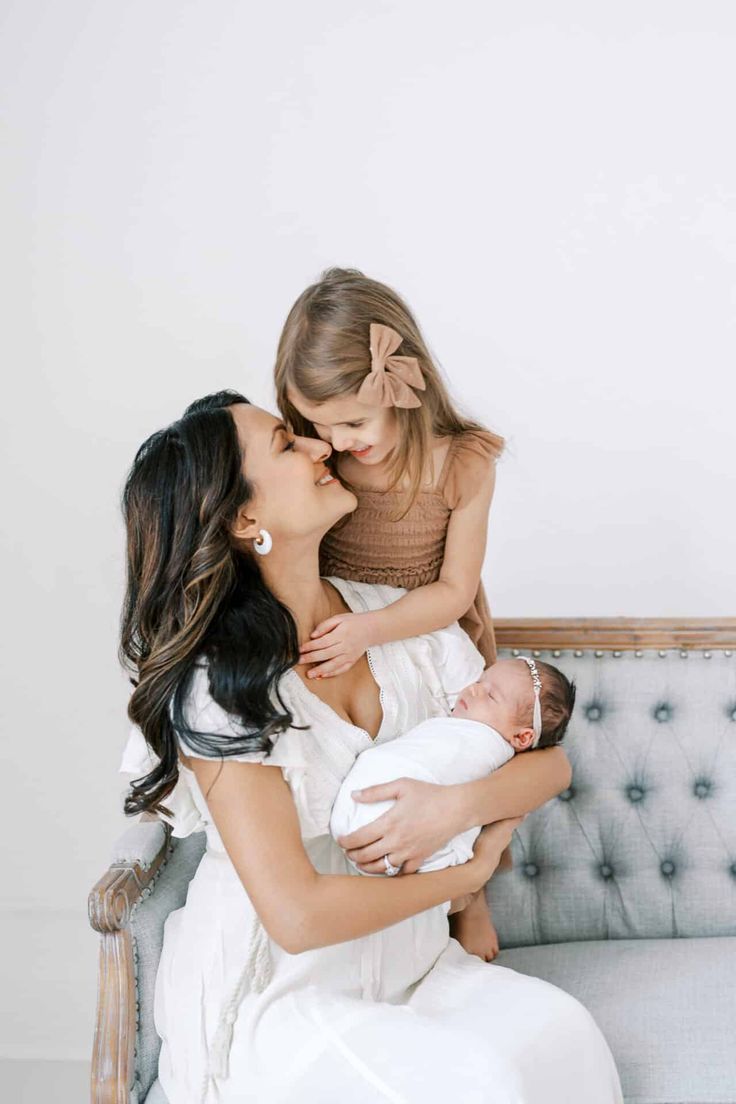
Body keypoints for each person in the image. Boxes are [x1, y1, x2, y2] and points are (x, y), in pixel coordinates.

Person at [120, 391, 623, 1103]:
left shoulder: (396, 619)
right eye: (287, 446)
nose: (321, 447)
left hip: (415, 969)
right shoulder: (220, 684)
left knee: (566, 1035)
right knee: (483, 1085)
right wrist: (466, 875)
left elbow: (550, 763)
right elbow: (296, 919)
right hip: (282, 997)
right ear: (244, 519)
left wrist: (455, 809)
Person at [274, 266, 503, 676]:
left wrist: (372, 628)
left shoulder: (464, 465)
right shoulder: (317, 457)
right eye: (321, 424)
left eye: (354, 424)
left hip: (425, 639)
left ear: (405, 388)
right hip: (335, 641)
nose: (338, 441)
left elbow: (455, 590)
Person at [330, 657, 576, 961]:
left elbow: (557, 768)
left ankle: (465, 880)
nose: (472, 690)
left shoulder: (486, 747)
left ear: (522, 737)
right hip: (364, 830)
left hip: (382, 835)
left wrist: (461, 821)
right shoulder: (456, 724)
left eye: (490, 695)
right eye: (480, 682)